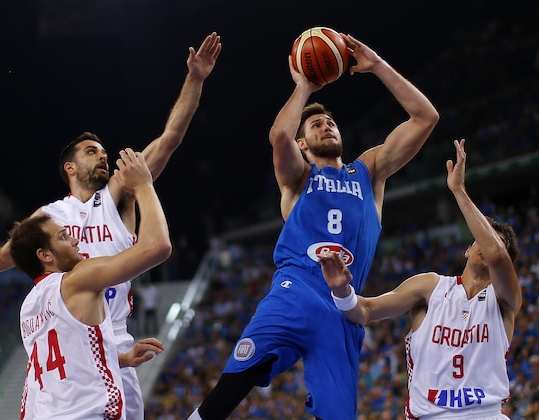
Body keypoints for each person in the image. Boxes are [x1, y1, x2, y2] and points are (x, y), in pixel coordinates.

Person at [0, 31, 222, 420]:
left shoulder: (120, 192)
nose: (103, 157)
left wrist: (195, 79)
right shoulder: (47, 218)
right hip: (73, 336)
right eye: (92, 152)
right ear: (70, 167)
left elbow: (170, 138)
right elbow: (0, 258)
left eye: (104, 152)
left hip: (113, 335)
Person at [188, 32, 439, 420]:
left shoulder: (368, 171)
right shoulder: (298, 178)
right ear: (303, 143)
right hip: (295, 289)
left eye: (330, 122)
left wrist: (377, 66)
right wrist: (303, 86)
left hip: (343, 305)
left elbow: (426, 117)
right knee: (236, 380)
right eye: (316, 125)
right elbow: (278, 135)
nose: (326, 126)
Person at [319, 139, 521, 419]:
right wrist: (342, 291)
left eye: (495, 244)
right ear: (467, 249)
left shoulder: (505, 299)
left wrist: (459, 191)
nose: (486, 248)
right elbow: (365, 310)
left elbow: (497, 256)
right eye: (480, 241)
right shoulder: (430, 286)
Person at [11, 148, 171, 419]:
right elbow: (157, 247)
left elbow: (65, 364)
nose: (75, 240)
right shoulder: (77, 279)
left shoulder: (29, 308)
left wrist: (118, 358)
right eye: (63, 236)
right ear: (45, 255)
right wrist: (143, 185)